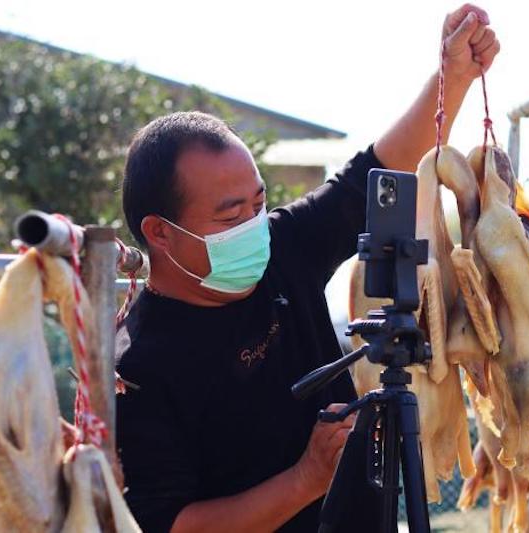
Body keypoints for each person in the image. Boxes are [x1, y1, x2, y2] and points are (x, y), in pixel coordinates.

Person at [115, 4, 500, 532]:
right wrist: (305, 480)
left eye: (258, 204)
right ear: (160, 232)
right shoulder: (137, 367)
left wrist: (452, 75)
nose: (255, 226)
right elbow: (170, 524)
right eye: (232, 215)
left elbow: (372, 172)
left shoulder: (282, 248)